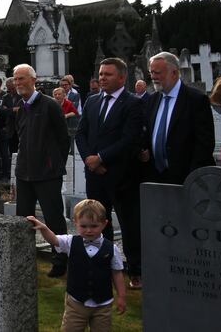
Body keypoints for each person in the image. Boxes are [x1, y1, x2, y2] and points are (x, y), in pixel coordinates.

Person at [75, 58, 144, 289]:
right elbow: (81, 134)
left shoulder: (132, 103)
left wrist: (101, 158)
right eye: (101, 74)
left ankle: (135, 271)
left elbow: (129, 139)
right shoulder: (93, 101)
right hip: (95, 175)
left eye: (108, 74)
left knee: (129, 225)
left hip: (121, 176)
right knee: (95, 224)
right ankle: (99, 266)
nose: (102, 78)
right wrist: (89, 159)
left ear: (122, 78)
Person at [28, 199, 126, 332]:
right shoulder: (70, 242)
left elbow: (117, 273)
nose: (89, 230)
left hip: (103, 304)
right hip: (76, 303)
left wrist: (121, 296)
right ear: (76, 223)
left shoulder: (112, 248)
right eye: (84, 226)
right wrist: (44, 228)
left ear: (104, 224)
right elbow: (54, 240)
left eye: (94, 226)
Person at [13, 64, 70, 277]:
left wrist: (53, 164)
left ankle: (60, 261)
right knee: (23, 220)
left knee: (53, 218)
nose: (18, 83)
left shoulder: (50, 105)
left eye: (22, 79)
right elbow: (20, 137)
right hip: (24, 173)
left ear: (33, 80)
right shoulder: (21, 107)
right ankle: (24, 261)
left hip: (47, 174)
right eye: (16, 79)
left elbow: (63, 140)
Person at [141, 52, 214, 185]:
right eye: (151, 73)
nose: (153, 77)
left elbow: (205, 143)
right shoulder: (152, 100)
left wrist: (193, 178)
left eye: (157, 73)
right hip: (156, 178)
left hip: (187, 178)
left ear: (174, 73)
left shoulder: (196, 100)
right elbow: (148, 133)